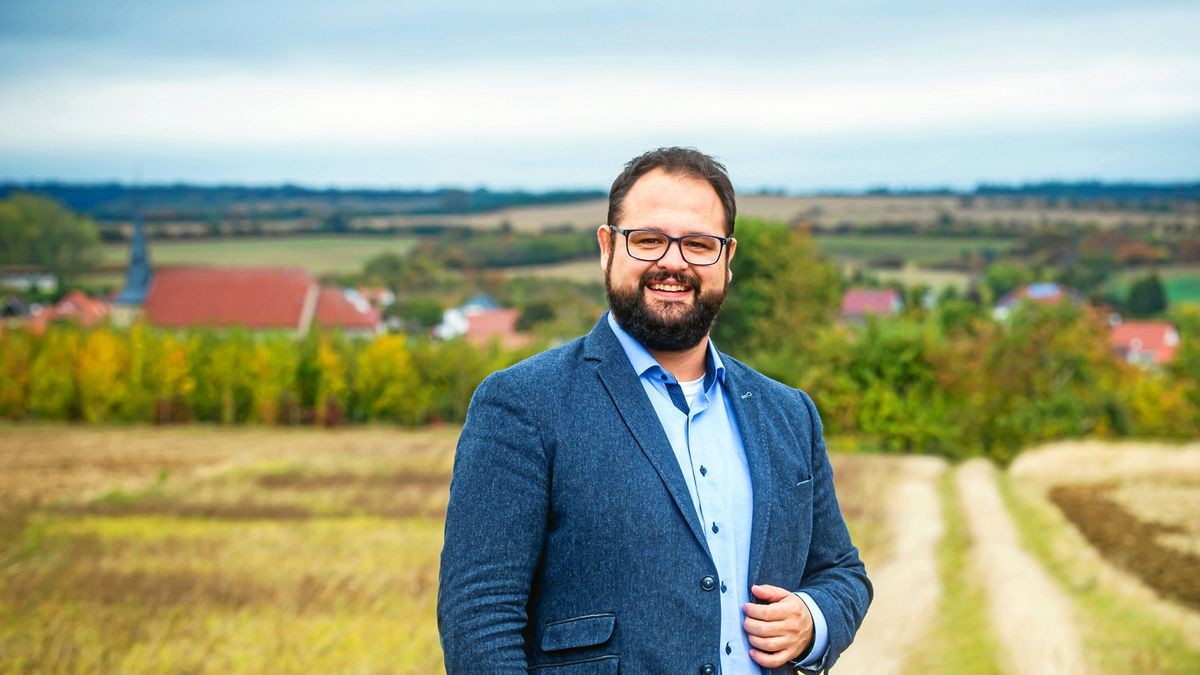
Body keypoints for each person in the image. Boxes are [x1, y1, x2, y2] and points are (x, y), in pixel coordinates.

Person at [438, 147, 871, 674]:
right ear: (607, 247)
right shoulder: (522, 404)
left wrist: (813, 617)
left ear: (727, 261)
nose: (673, 261)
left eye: (697, 243)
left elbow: (841, 572)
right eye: (648, 240)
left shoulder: (789, 413)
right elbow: (479, 619)